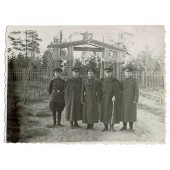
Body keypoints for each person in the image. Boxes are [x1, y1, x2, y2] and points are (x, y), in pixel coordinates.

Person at [100, 67, 122, 131]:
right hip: (104, 99)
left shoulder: (116, 81)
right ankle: (106, 126)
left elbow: (118, 91)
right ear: (104, 73)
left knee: (112, 112)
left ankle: (112, 126)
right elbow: (99, 90)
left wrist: (115, 96)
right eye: (107, 72)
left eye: (109, 72)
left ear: (112, 73)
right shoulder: (102, 81)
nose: (108, 74)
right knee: (105, 112)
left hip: (112, 99)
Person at [121, 67, 139, 131]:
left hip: (131, 99)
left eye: (129, 73)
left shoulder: (134, 80)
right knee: (124, 113)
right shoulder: (122, 80)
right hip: (124, 99)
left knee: (131, 113)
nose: (127, 74)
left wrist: (135, 99)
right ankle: (124, 126)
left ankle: (131, 127)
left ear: (131, 74)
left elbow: (136, 91)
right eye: (126, 73)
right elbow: (120, 90)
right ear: (124, 73)